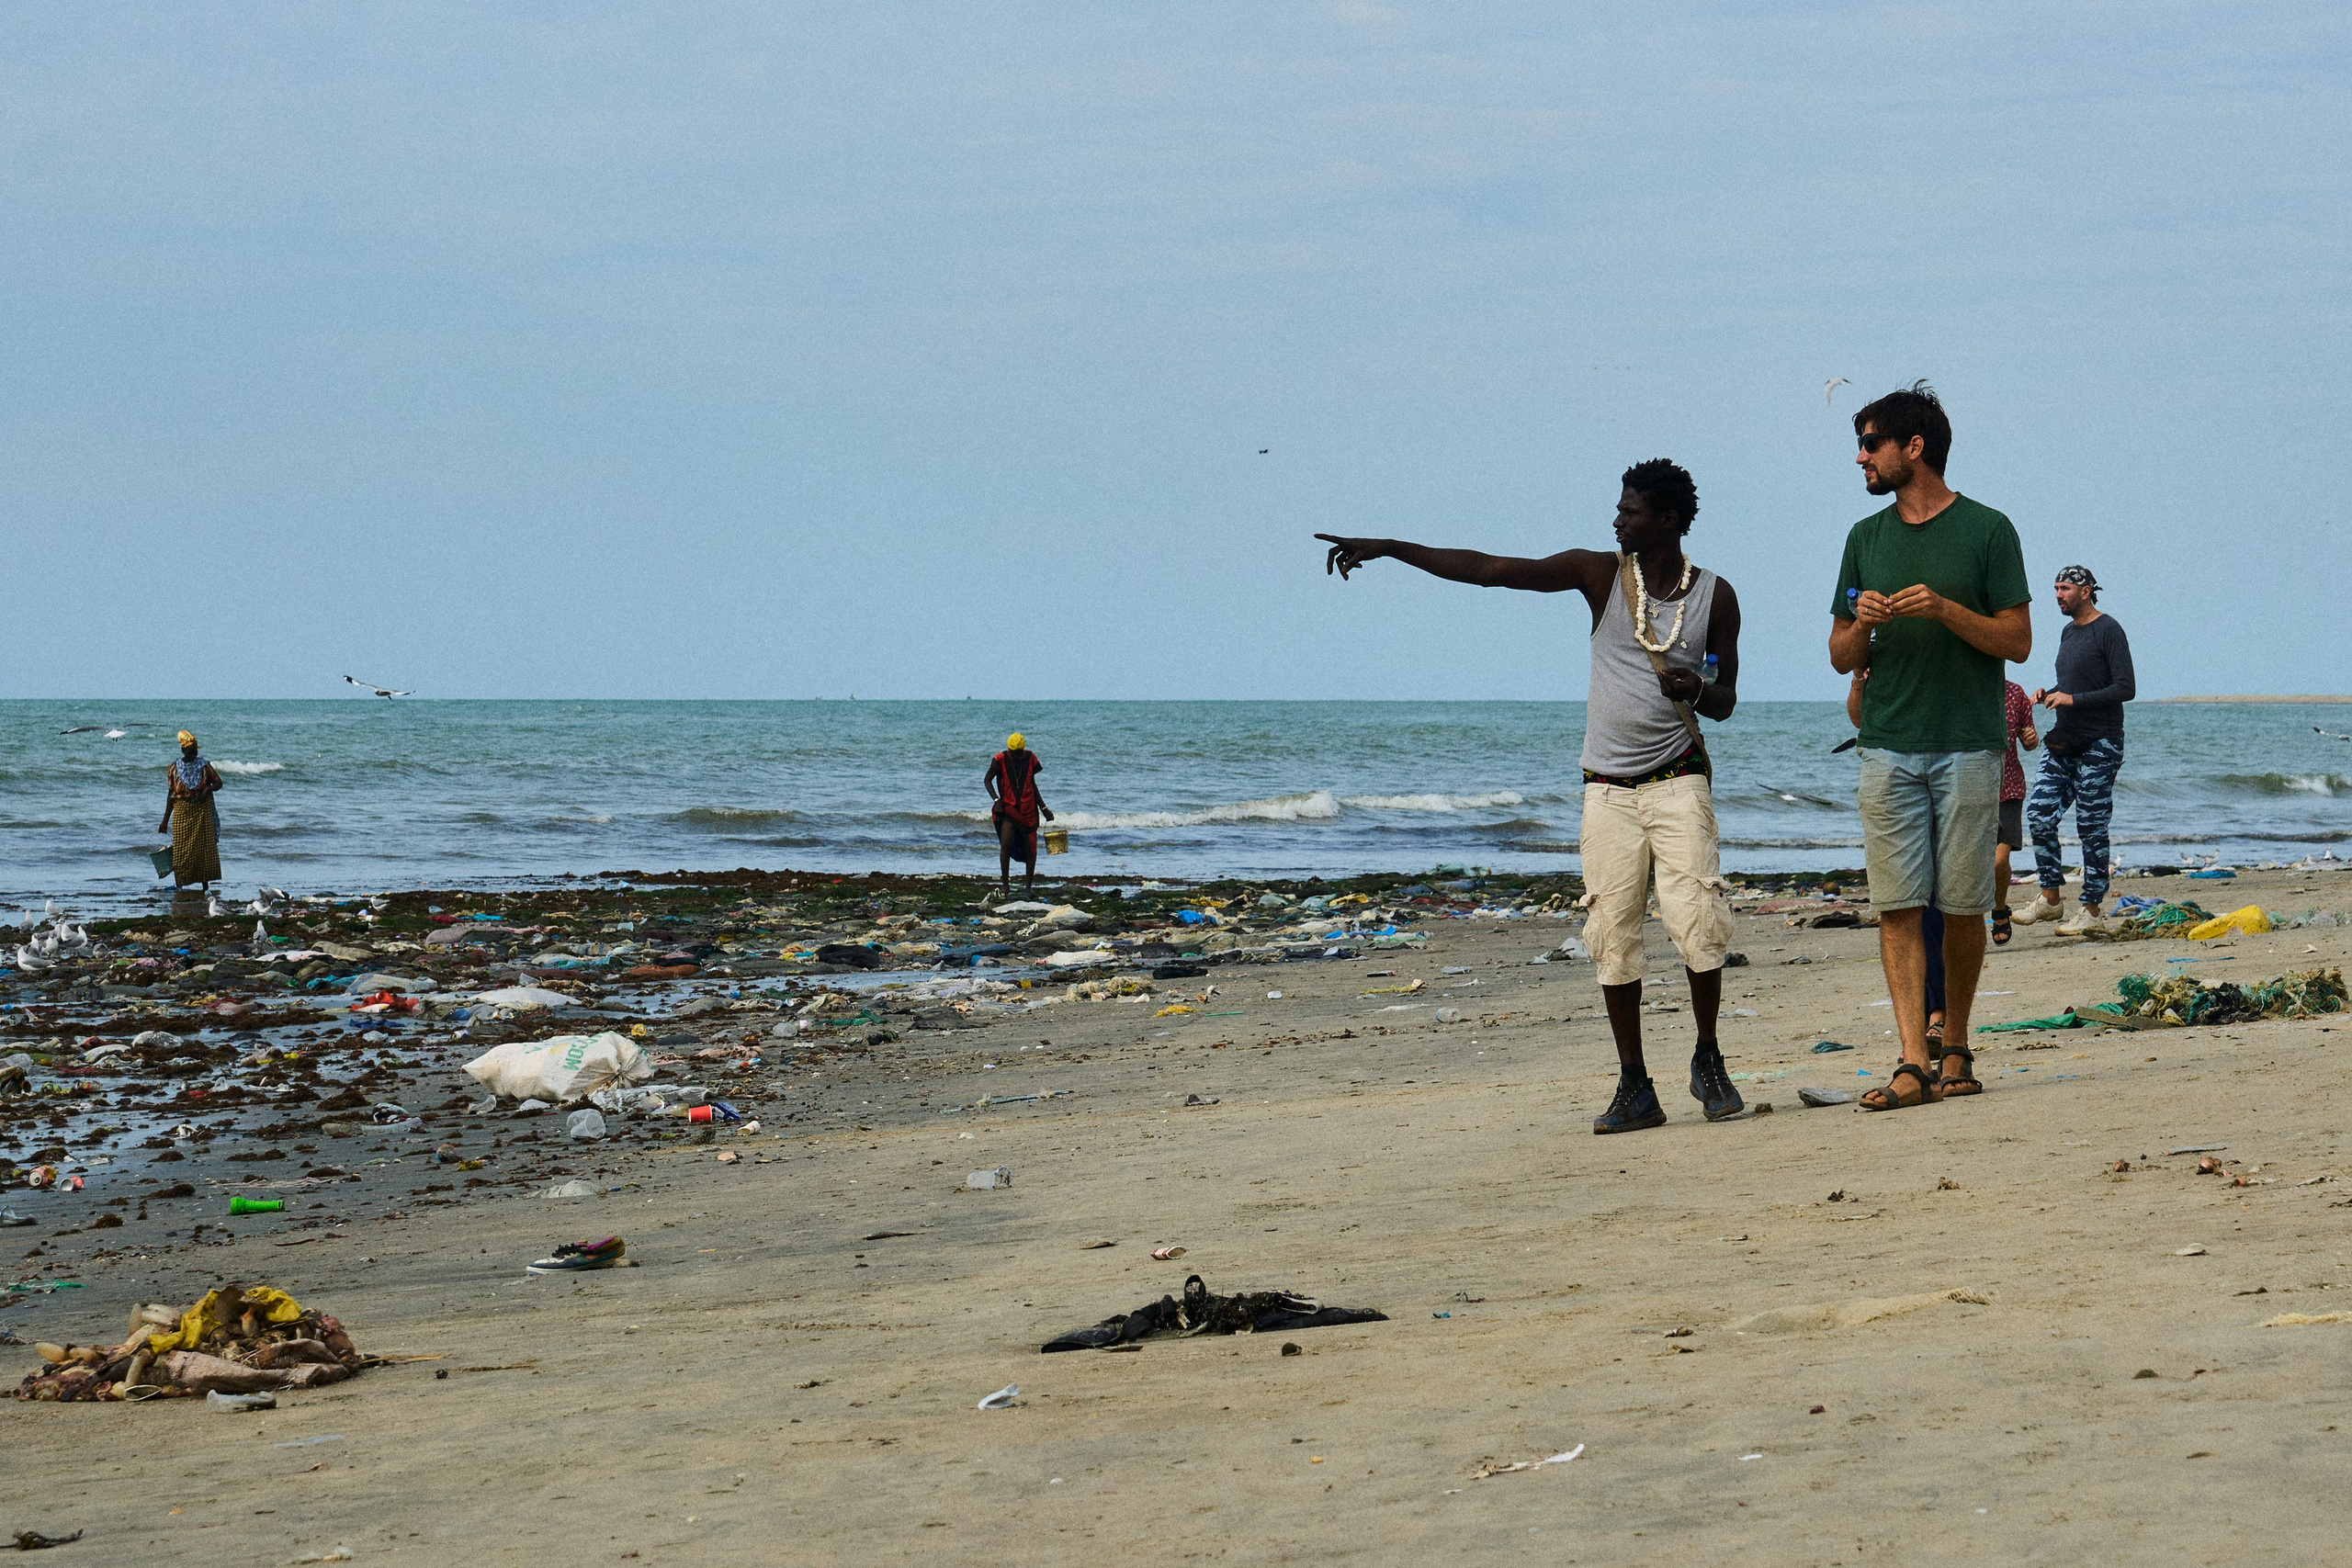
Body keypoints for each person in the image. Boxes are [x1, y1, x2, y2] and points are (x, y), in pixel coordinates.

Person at [1317, 458, 1746, 1134]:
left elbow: (1725, 700)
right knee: (1612, 937)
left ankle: (1708, 1056)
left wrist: (1694, 688)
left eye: (1629, 510)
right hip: (1605, 789)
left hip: (1676, 777)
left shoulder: (1715, 597)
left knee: (1698, 923)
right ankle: (1635, 1085)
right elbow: (1490, 569)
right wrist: (1392, 548)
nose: (1616, 518)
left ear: (1666, 519)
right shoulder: (1599, 574)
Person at [1828, 383, 2031, 1110]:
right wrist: (1864, 625)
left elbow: (2018, 639)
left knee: (1965, 905)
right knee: (1897, 906)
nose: (1860, 457)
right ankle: (1912, 1059)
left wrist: (1946, 609)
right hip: (1886, 745)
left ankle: (1957, 1045)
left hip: (1970, 746)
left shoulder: (1989, 530)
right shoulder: (1864, 538)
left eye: (1871, 442)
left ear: (1914, 447)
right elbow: (1838, 653)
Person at [2017, 566, 2134, 932]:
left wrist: (2073, 698)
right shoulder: (2068, 632)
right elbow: (2072, 684)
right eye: (2055, 588)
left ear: (2086, 591)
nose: (2057, 595)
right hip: (2064, 739)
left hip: (2101, 741)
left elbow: (2125, 688)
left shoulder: (2109, 629)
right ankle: (2050, 899)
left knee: (2091, 826)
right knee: (2038, 814)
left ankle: (2092, 911)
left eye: (2064, 588)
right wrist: (2049, 693)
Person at [1990, 678, 2039, 944]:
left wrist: (2031, 739)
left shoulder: (2015, 693)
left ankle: (1999, 909)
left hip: (2009, 786)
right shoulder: (1960, 686)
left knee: (1999, 861)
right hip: (1969, 787)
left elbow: (2030, 741)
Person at [984, 733, 1054, 895]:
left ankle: (1028, 888)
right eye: (1014, 752)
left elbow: (1032, 784)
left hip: (1029, 811)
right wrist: (996, 800)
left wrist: (1044, 809)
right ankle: (1005, 886)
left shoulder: (1030, 758)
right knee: (1006, 845)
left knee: (1031, 850)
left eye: (1019, 752)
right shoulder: (999, 759)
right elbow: (987, 780)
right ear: (1009, 749)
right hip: (1008, 809)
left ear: (1023, 749)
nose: (1017, 755)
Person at [157, 729, 224, 890]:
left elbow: (218, 783)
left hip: (202, 811)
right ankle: (180, 884)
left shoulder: (204, 766)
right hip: (182, 811)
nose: (193, 753)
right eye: (190, 750)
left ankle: (204, 885)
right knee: (180, 850)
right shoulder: (174, 768)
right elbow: (171, 795)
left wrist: (207, 790)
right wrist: (164, 821)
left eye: (195, 750)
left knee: (203, 850)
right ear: (182, 750)